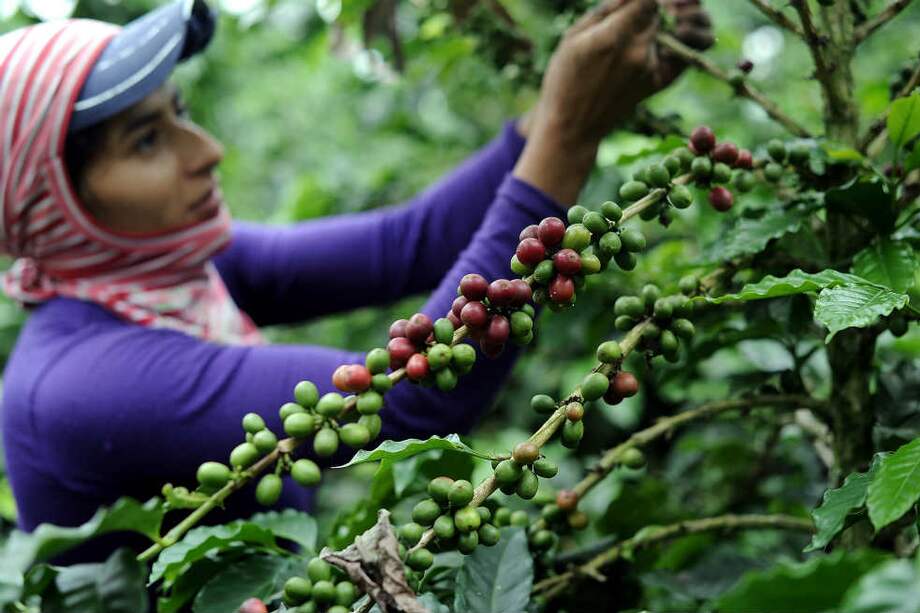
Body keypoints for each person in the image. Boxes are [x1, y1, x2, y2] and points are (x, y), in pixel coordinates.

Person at [0, 0, 712, 564]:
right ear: (50, 201)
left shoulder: (171, 272)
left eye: (179, 113)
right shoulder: (78, 385)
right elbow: (408, 401)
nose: (207, 152)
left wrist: (573, 101)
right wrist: (569, 135)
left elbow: (407, 245)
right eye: (146, 141)